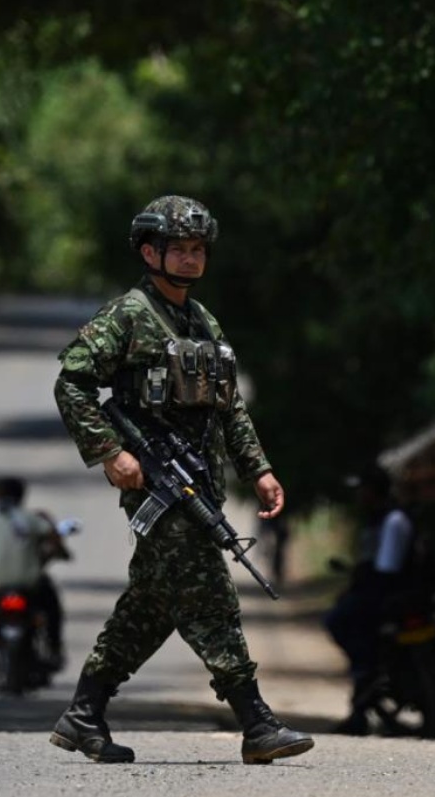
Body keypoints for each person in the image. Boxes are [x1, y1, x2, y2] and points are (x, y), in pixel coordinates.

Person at [48, 196, 315, 765]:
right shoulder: (128, 315)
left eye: (198, 250)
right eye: (179, 249)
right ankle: (256, 722)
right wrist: (110, 453)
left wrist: (259, 469)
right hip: (157, 486)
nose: (191, 259)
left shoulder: (203, 322)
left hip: (199, 484)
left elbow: (229, 407)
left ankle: (84, 713)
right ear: (150, 253)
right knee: (210, 596)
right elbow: (72, 383)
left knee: (151, 606)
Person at [324, 462, 414, 735]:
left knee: (339, 621)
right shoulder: (378, 519)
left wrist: (362, 587)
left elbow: (386, 569)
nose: (358, 495)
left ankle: (366, 673)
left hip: (387, 596)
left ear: (373, 490)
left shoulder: (393, 520)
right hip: (378, 592)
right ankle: (363, 692)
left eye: (362, 489)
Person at [0, 477, 66, 675]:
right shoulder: (32, 518)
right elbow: (54, 540)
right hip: (29, 583)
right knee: (52, 607)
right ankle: (54, 649)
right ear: (21, 496)